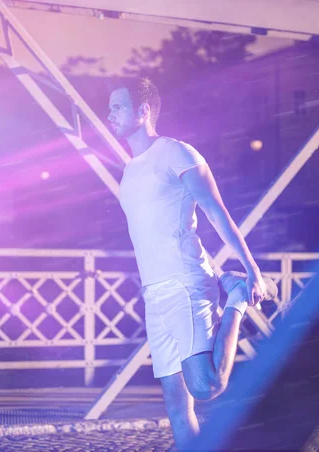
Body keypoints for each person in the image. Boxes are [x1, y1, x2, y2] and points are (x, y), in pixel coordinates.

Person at [107, 77, 276, 450]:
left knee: (207, 385)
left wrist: (251, 271)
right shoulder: (131, 170)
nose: (109, 115)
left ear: (143, 110)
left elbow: (217, 212)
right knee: (178, 409)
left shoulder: (177, 153)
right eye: (109, 108)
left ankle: (234, 298)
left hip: (185, 281)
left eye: (117, 107)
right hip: (156, 294)